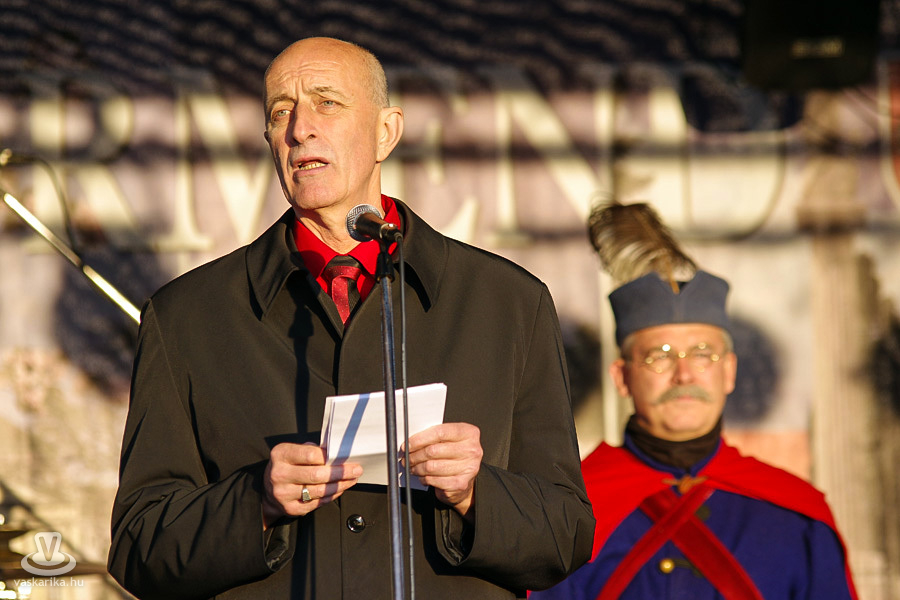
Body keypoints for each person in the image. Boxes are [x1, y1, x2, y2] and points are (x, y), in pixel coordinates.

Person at [106, 37, 594, 600]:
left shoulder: (508, 303)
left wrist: (473, 493)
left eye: (327, 103)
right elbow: (138, 548)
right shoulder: (187, 316)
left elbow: (566, 536)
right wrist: (254, 501)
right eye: (280, 112)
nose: (300, 129)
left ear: (387, 131)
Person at [531, 201, 857, 600]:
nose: (684, 375)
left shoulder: (799, 515)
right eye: (659, 356)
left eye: (703, 354)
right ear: (622, 377)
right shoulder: (566, 513)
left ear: (730, 371)